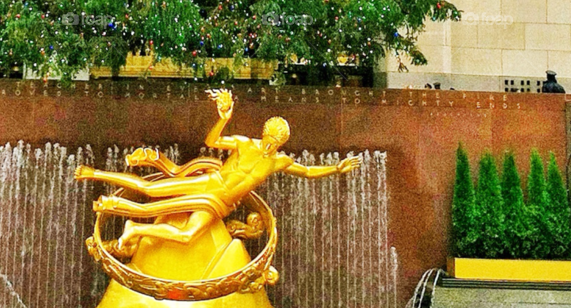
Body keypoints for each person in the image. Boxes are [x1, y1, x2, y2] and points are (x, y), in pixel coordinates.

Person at [75, 88, 361, 256]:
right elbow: (212, 142)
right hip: (209, 184)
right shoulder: (245, 144)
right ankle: (95, 173)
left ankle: (136, 229)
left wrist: (336, 168)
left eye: (279, 143)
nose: (273, 146)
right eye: (272, 140)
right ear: (265, 134)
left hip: (220, 203)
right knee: (151, 190)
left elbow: (308, 172)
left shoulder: (279, 161)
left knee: (187, 235)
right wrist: (223, 119)